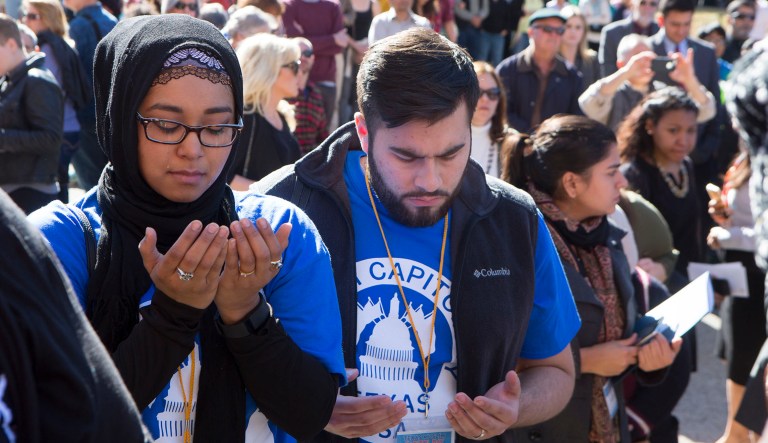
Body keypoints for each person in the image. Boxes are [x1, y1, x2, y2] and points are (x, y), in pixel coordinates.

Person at [28, 15, 345, 442]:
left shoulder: (279, 236)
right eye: (165, 124)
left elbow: (308, 415)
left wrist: (244, 312)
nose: (193, 149)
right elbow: (56, 421)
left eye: (216, 127)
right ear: (119, 117)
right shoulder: (55, 242)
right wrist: (171, 317)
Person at [256, 27, 581, 443]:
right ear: (363, 131)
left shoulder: (513, 219)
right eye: (405, 156)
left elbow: (556, 370)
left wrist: (515, 407)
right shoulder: (278, 208)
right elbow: (220, 361)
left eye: (451, 153)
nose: (431, 180)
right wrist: (302, 404)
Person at [500, 114, 682, 443]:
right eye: (611, 172)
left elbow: (615, 334)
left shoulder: (605, 236)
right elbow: (495, 362)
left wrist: (647, 357)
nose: (622, 182)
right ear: (571, 183)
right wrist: (584, 363)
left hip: (604, 424)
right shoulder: (519, 245)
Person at [0, 188, 153, 443]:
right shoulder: (60, 232)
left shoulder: (242, 226)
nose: (191, 151)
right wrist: (173, 316)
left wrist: (239, 321)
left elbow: (100, 418)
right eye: (169, 142)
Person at [617, 87, 703, 291]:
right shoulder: (633, 175)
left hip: (687, 277)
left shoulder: (686, 165)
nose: (683, 140)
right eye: (673, 130)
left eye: (691, 131)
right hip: (655, 282)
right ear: (650, 126)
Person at [707, 151, 767, 443]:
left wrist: (731, 236)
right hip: (739, 272)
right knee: (735, 354)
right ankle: (736, 432)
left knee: (750, 358)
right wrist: (724, 220)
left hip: (760, 276)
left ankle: (741, 434)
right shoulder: (747, 153)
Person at [21, 0, 90, 205]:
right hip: (70, 127)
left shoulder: (48, 49)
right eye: (26, 15)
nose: (26, 20)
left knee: (53, 195)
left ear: (48, 18)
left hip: (57, 131)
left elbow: (45, 92)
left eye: (33, 16)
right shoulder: (64, 44)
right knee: (61, 186)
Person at [579, 33, 716, 132]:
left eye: (649, 58)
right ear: (622, 64)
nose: (644, 64)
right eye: (637, 59)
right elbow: (588, 103)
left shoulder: (662, 94)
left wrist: (690, 80)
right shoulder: (612, 94)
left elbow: (706, 111)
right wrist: (626, 73)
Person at [0, 15, 63, 214]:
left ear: (11, 44)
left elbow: (50, 139)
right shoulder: (9, 80)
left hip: (31, 191)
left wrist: (3, 139)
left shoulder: (37, 81)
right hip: (14, 187)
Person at [230, 33, 302, 190]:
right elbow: (225, 177)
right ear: (270, 70)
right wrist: (274, 196)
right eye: (294, 66)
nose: (300, 73)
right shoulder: (245, 117)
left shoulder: (283, 116)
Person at [496, 8, 583, 133]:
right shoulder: (507, 70)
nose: (554, 35)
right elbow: (502, 112)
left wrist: (548, 138)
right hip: (513, 146)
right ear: (531, 32)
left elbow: (575, 118)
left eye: (560, 30)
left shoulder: (572, 75)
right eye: (547, 29)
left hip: (554, 148)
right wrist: (531, 136)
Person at [65, 0, 116, 193]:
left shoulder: (77, 27)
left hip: (86, 118)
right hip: (111, 114)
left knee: (93, 188)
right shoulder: (111, 20)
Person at [283, 0, 348, 131]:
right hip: (295, 82)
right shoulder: (289, 6)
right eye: (306, 52)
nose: (307, 55)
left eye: (309, 53)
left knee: (322, 134)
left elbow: (338, 48)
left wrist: (305, 39)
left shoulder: (333, 6)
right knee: (293, 132)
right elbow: (291, 44)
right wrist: (332, 39)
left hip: (326, 80)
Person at [288, 37, 330, 155]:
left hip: (309, 165)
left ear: (313, 58)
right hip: (283, 163)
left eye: (307, 53)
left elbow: (323, 135)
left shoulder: (316, 93)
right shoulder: (280, 90)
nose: (302, 57)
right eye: (297, 53)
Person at [598, 0, 660, 77]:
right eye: (642, 3)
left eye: (652, 4)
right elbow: (607, 70)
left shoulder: (662, 32)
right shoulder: (612, 33)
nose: (647, 8)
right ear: (632, 4)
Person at [470, 60, 506, 177]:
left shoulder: (509, 141)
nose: (485, 99)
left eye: (493, 93)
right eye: (478, 92)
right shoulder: (446, 137)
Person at [559, 5, 600, 91]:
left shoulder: (592, 60)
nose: (573, 31)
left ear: (584, 31)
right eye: (568, 26)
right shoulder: (550, 60)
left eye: (578, 27)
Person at [723, 0, 757, 64]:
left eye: (752, 17)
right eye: (741, 16)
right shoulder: (720, 46)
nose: (747, 21)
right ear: (729, 19)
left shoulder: (757, 48)